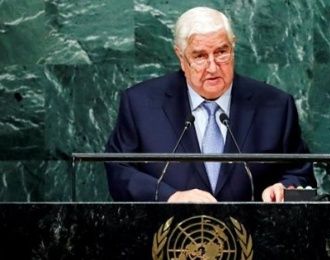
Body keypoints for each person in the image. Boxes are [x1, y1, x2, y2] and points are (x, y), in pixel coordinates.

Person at [105, 6, 316, 202]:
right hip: (168, 236)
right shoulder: (140, 104)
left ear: (233, 46)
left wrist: (284, 188)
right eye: (200, 56)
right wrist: (171, 197)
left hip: (254, 236)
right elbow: (119, 170)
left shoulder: (276, 106)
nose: (213, 67)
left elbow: (300, 172)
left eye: (222, 52)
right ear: (181, 56)